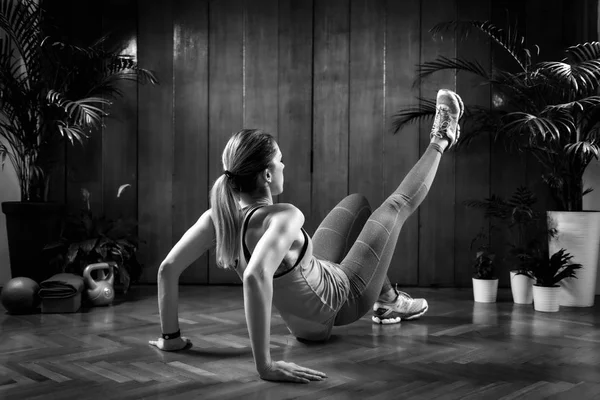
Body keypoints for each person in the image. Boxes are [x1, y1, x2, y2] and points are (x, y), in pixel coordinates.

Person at [149, 89, 464, 384]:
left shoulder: (217, 219)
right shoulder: (284, 217)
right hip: (343, 301)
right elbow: (255, 277)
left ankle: (388, 301)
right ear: (267, 175)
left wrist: (171, 338)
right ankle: (441, 138)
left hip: (308, 308)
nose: (285, 164)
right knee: (396, 205)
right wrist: (266, 367)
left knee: (357, 203)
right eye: (279, 160)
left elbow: (167, 269)